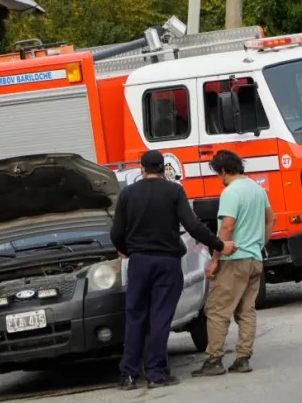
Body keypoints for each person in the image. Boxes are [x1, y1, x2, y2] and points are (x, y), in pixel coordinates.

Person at [111, 149, 237, 390]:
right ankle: (156, 374)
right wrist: (219, 245)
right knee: (160, 317)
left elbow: (116, 232)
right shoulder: (174, 191)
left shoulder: (127, 194)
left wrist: (126, 249)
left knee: (135, 317)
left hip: (138, 262)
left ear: (141, 168)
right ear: (163, 169)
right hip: (166, 262)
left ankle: (129, 375)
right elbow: (193, 225)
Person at [192, 150, 274, 377]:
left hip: (233, 260)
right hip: (254, 259)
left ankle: (214, 360)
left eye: (217, 173)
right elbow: (271, 219)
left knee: (217, 310)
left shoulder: (230, 192)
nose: (218, 178)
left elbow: (227, 226)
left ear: (223, 170)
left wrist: (214, 259)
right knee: (246, 310)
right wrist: (259, 243)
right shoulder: (257, 189)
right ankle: (243, 358)